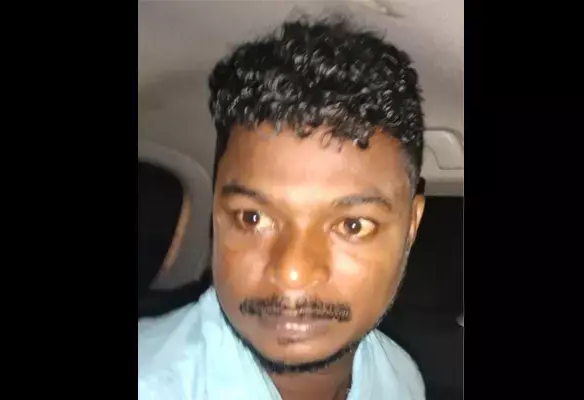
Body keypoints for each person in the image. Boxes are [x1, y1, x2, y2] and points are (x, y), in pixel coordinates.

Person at [138, 16, 428, 400]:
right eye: (252, 217)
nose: (292, 272)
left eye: (353, 226)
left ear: (410, 227)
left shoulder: (401, 379)